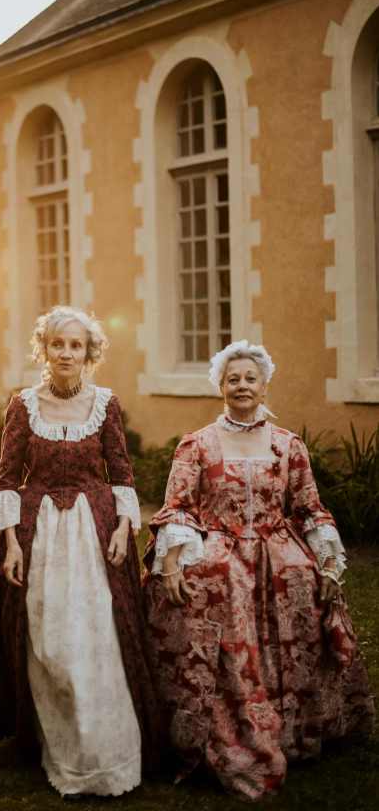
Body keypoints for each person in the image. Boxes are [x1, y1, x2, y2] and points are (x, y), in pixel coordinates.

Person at [142, 339, 375, 801]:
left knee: (303, 578)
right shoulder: (197, 444)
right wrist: (170, 560)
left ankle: (295, 726)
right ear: (221, 388)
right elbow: (178, 506)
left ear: (264, 386)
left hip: (276, 546)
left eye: (251, 378)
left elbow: (309, 508)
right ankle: (214, 722)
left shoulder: (288, 445)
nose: (242, 385)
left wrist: (329, 563)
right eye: (233, 379)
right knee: (212, 580)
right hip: (219, 542)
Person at [0, 305, 159, 798]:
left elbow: (121, 474)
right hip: (39, 535)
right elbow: (6, 479)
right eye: (57, 344)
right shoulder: (23, 406)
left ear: (89, 353)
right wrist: (11, 543)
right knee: (50, 640)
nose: (66, 353)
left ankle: (103, 751)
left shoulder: (105, 405)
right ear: (44, 349)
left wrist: (123, 528)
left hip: (94, 533)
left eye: (75, 345)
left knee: (97, 636)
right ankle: (52, 738)